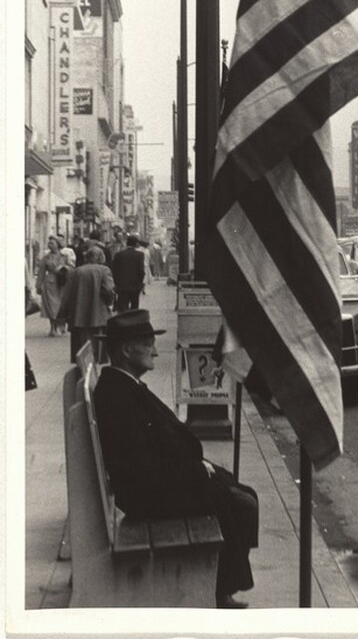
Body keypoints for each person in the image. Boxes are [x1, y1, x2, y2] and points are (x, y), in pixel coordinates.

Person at [93, 311, 258, 608]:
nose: (155, 351)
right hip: (147, 496)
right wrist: (195, 471)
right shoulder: (118, 395)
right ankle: (221, 589)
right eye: (148, 344)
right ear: (127, 350)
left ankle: (224, 582)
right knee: (240, 502)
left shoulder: (122, 385)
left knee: (241, 495)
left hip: (154, 485)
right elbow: (140, 470)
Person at [56, 245, 115, 363]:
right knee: (97, 344)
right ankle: (94, 365)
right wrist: (109, 302)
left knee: (81, 346)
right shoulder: (104, 270)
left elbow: (67, 295)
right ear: (101, 257)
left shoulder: (76, 271)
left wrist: (62, 316)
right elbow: (109, 290)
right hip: (98, 313)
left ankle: (84, 366)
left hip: (78, 314)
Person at [36, 236, 66, 336]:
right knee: (51, 306)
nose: (50, 245)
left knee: (60, 306)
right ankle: (52, 328)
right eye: (49, 243)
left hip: (62, 283)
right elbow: (41, 272)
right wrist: (38, 285)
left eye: (52, 243)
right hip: (50, 283)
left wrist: (64, 268)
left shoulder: (64, 256)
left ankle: (60, 325)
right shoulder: (46, 257)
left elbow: (71, 269)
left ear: (58, 244)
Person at [111, 234, 146, 312]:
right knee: (134, 306)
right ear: (136, 244)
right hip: (135, 285)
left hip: (122, 285)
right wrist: (140, 283)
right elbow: (141, 271)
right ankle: (133, 319)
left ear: (127, 243)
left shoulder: (118, 255)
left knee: (122, 307)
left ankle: (123, 319)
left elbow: (114, 270)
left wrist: (116, 283)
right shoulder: (139, 255)